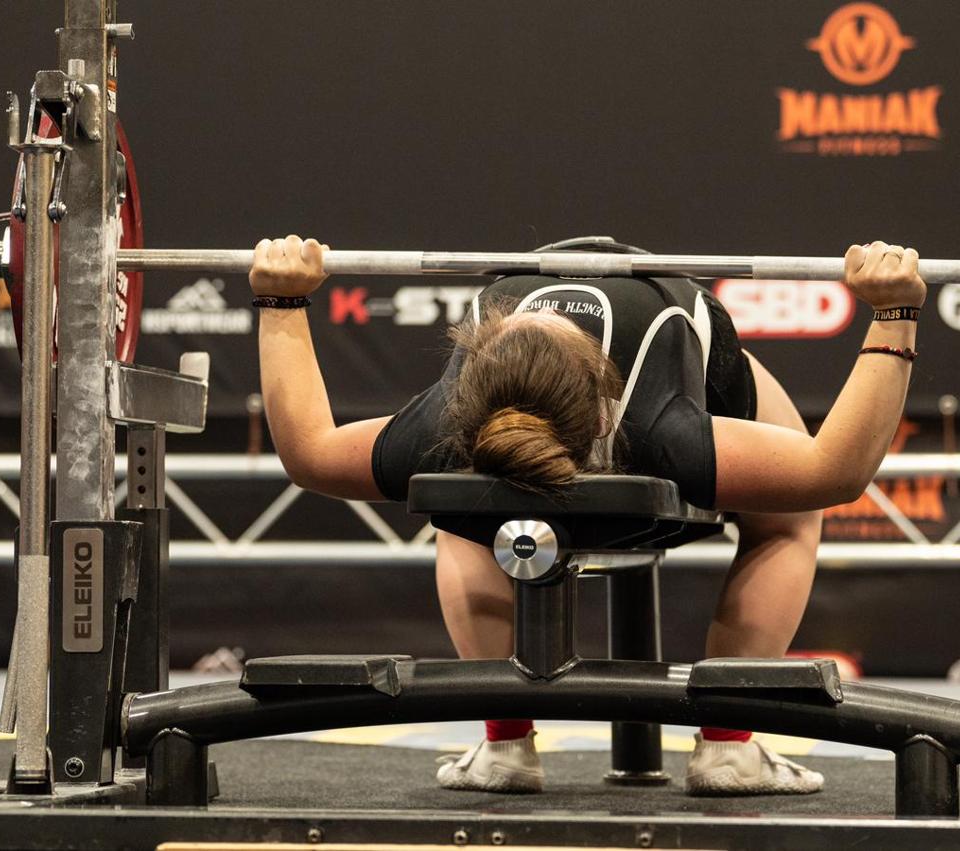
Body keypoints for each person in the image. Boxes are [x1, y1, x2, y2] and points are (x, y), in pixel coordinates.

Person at [249, 235, 925, 797]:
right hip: (654, 400)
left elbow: (309, 451)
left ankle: (504, 748)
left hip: (652, 383)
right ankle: (728, 748)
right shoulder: (661, 430)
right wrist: (894, 312)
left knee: (460, 513)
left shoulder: (443, 427)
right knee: (786, 522)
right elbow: (832, 470)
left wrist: (282, 300)